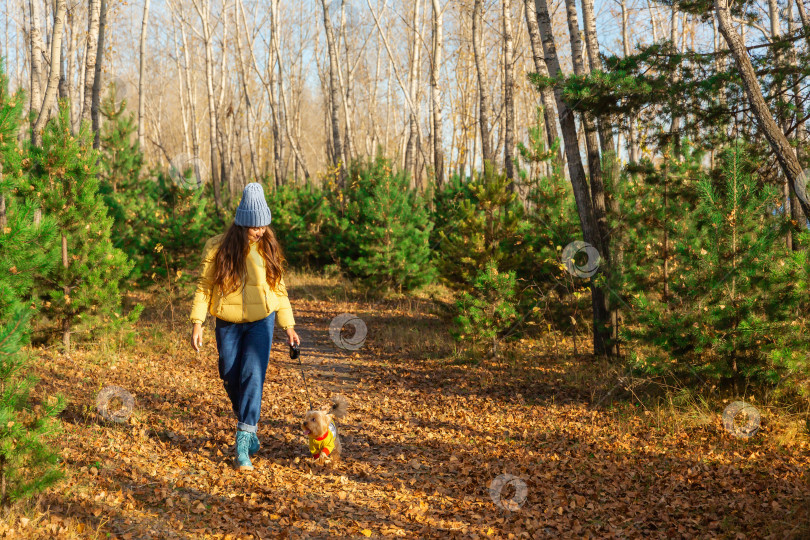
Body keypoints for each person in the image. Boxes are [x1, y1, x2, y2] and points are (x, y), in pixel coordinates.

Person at [189, 182, 301, 471]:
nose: (260, 231)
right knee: (228, 372)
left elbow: (280, 289)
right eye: (255, 226)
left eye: (264, 225)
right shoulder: (217, 247)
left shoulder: (268, 247)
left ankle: (244, 439)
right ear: (242, 223)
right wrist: (197, 322)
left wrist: (288, 325)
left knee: (252, 374)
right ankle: (248, 423)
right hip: (226, 321)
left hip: (261, 322)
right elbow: (204, 286)